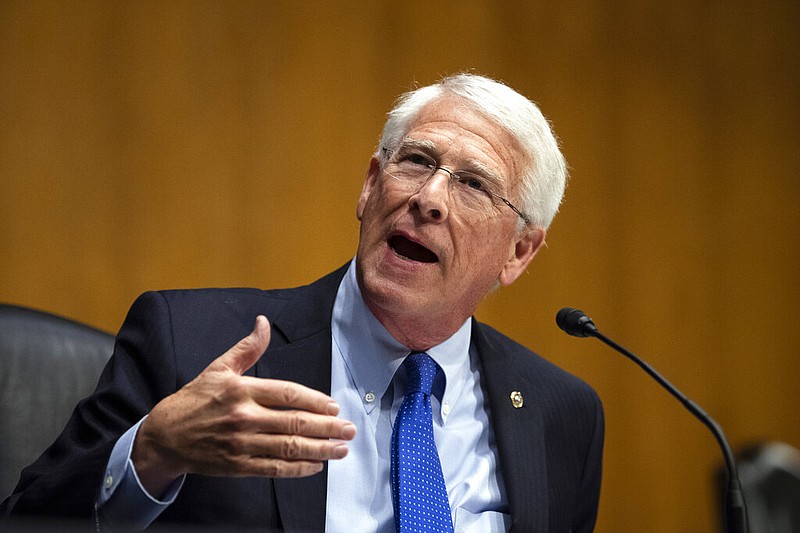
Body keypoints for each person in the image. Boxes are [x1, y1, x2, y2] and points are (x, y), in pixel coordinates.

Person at [1, 73, 603, 532]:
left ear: (519, 252)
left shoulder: (561, 414)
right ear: (371, 186)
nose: (430, 199)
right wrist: (153, 451)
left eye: (474, 184)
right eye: (417, 161)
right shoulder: (190, 340)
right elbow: (26, 518)